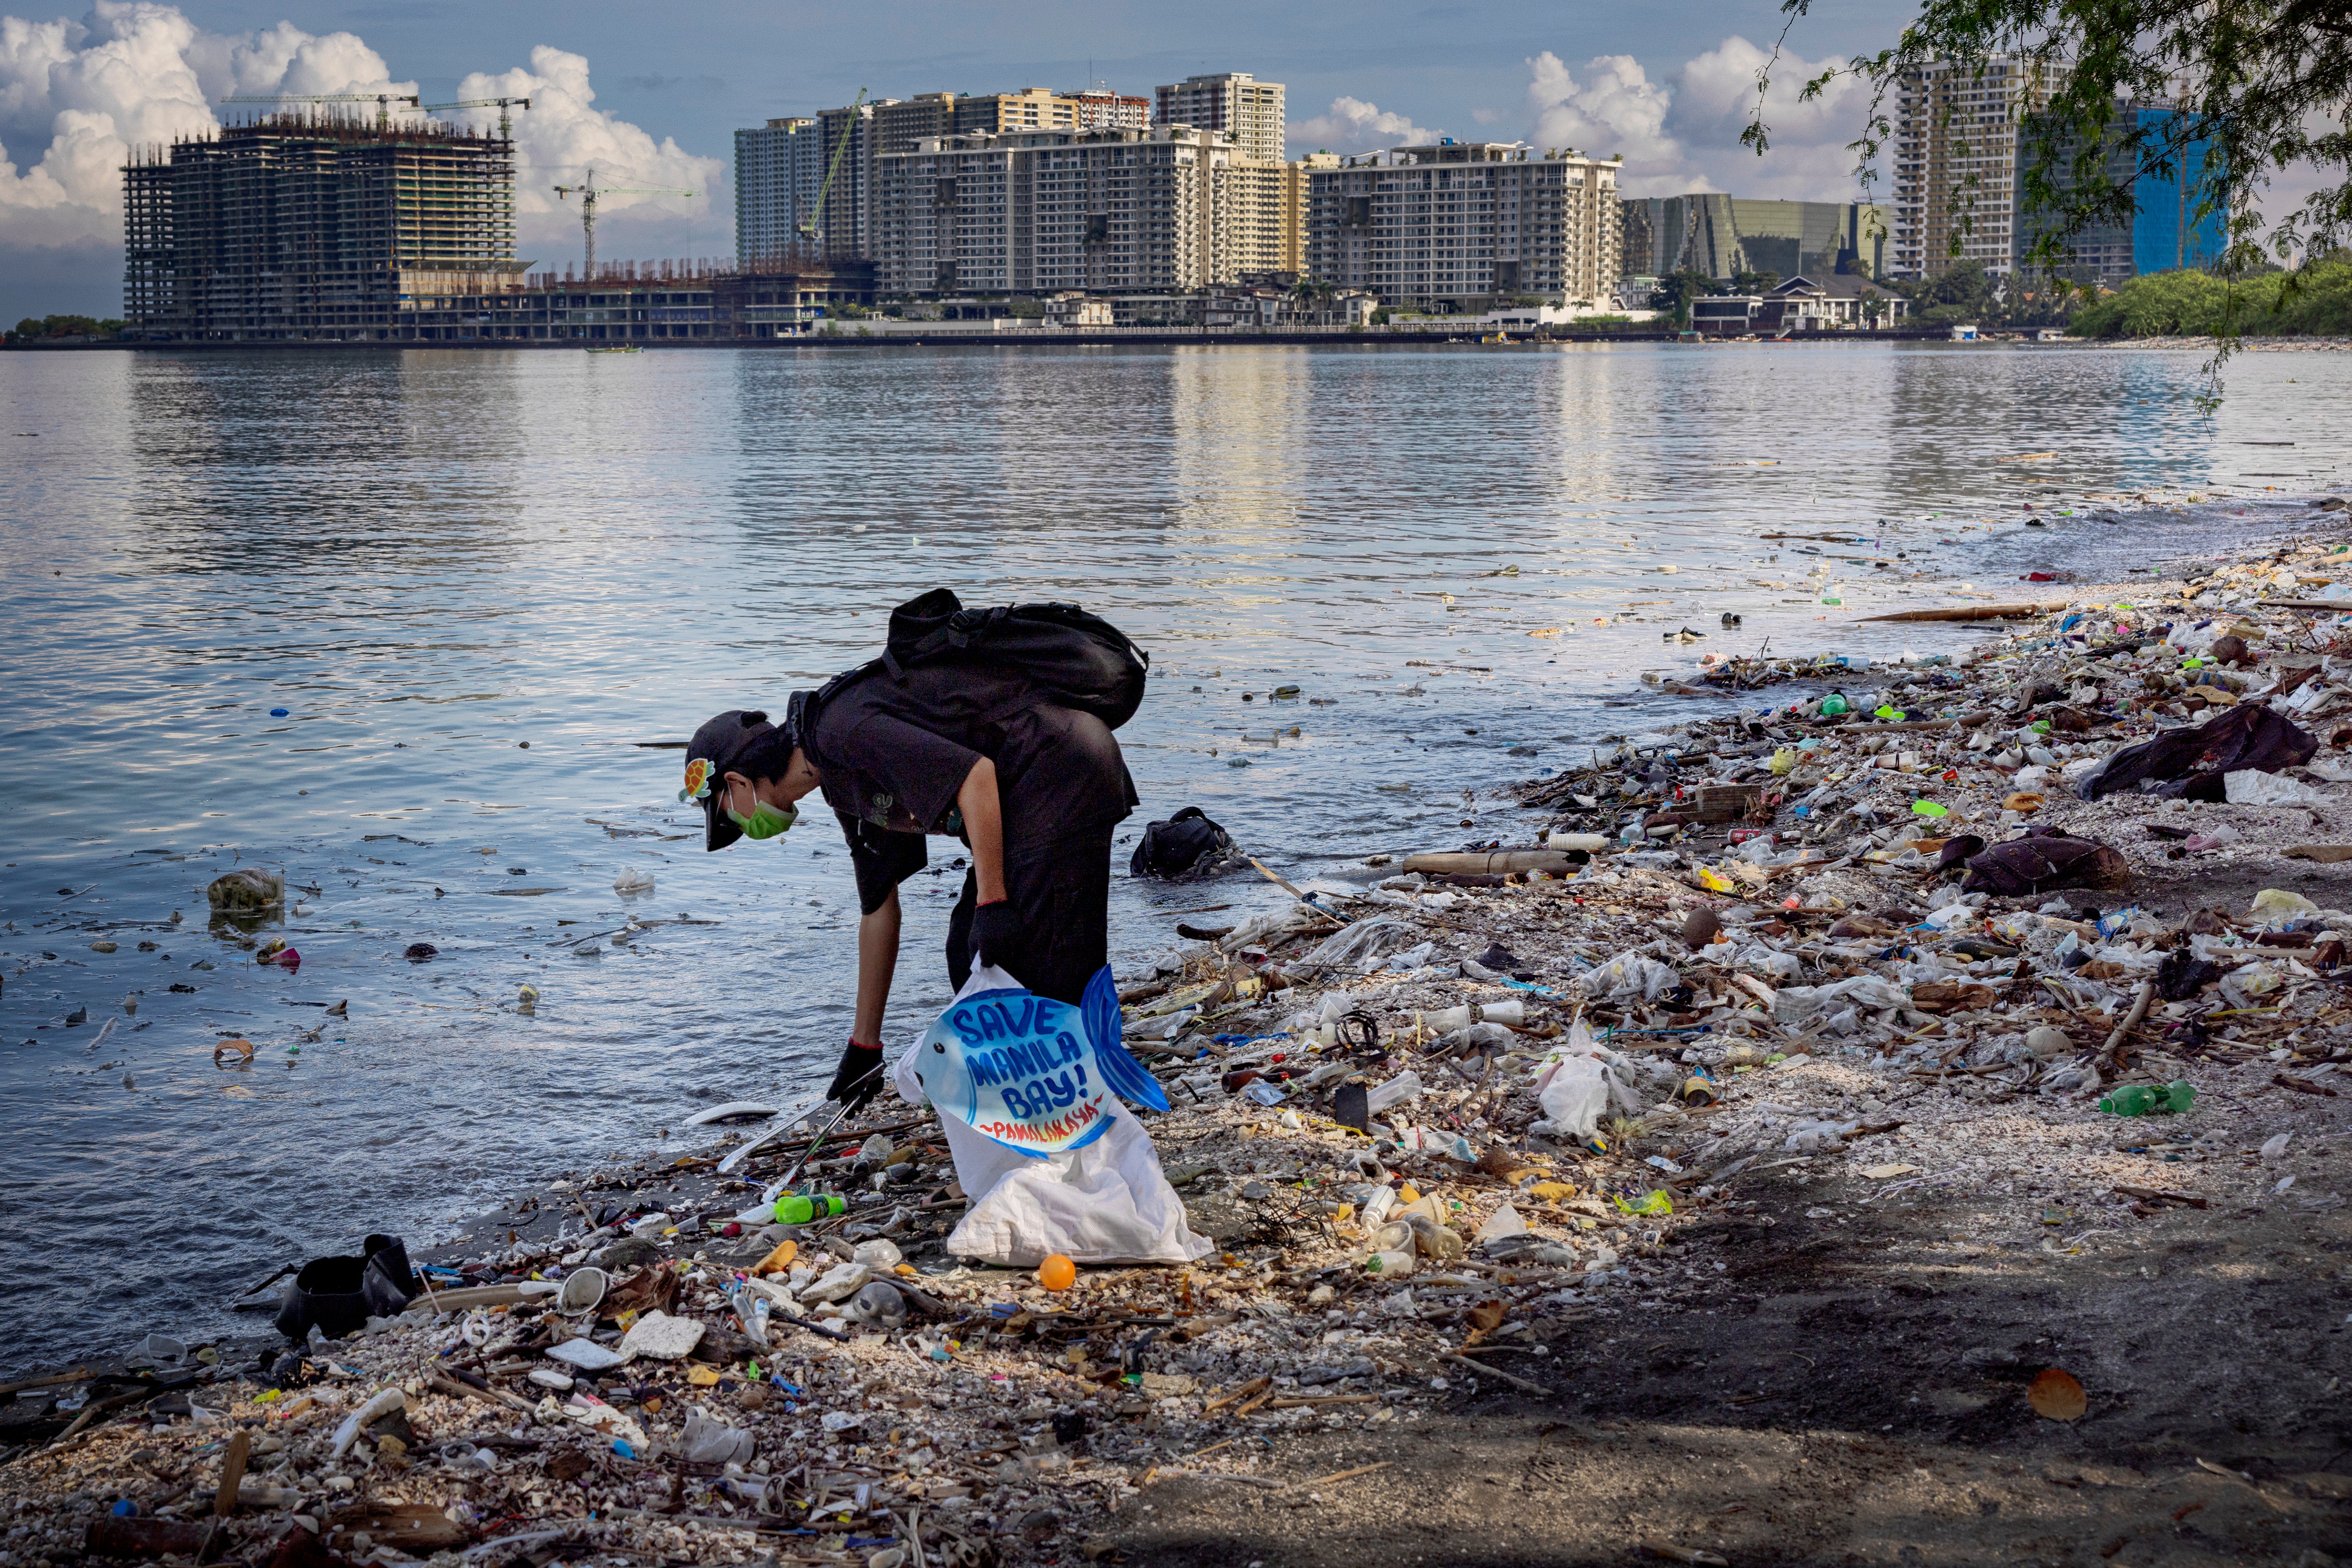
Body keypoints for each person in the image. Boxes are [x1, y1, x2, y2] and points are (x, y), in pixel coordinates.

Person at [682, 656, 1138, 1114]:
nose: (741, 824)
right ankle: (1061, 1111)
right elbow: (878, 908)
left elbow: (975, 775)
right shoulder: (841, 783)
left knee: (1021, 960)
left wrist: (994, 902)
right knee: (971, 952)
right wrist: (865, 1046)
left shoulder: (842, 732)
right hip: (1029, 795)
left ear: (737, 780)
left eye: (729, 813)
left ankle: (1072, 1119)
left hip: (1060, 771)